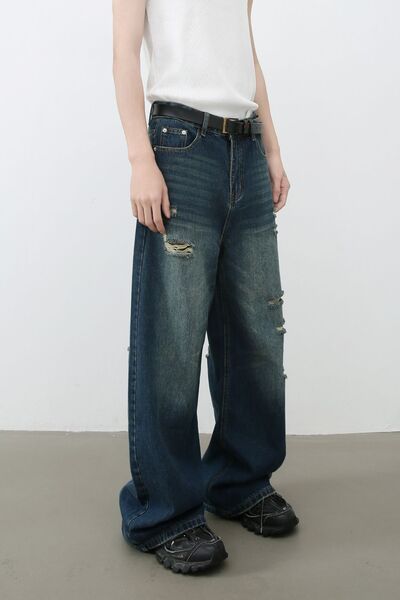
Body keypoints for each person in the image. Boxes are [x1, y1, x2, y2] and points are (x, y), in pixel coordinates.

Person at [112, 0, 299, 574]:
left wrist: (272, 149)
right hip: (181, 145)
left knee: (257, 336)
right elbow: (124, 53)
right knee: (172, 343)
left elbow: (247, 53)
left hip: (245, 142)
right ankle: (164, 512)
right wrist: (140, 159)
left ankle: (241, 480)